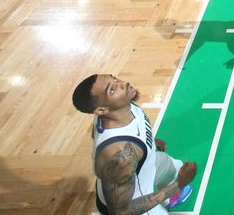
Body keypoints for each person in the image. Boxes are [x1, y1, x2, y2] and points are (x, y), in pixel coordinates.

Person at [71, 74, 197, 214]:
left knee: (172, 166)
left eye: (115, 78)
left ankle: (170, 197)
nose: (123, 84)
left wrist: (149, 143)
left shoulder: (119, 106)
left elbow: (96, 135)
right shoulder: (120, 156)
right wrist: (178, 184)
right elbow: (121, 212)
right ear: (101, 110)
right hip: (130, 204)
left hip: (135, 171)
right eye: (112, 89)